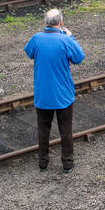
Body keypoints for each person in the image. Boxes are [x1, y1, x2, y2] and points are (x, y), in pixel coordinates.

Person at [24, 9, 85, 172]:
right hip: (63, 95)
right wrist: (70, 36)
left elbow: (29, 52)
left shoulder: (36, 39)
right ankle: (67, 162)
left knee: (43, 130)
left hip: (43, 95)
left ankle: (43, 162)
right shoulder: (65, 40)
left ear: (45, 23)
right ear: (61, 23)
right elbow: (79, 58)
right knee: (66, 130)